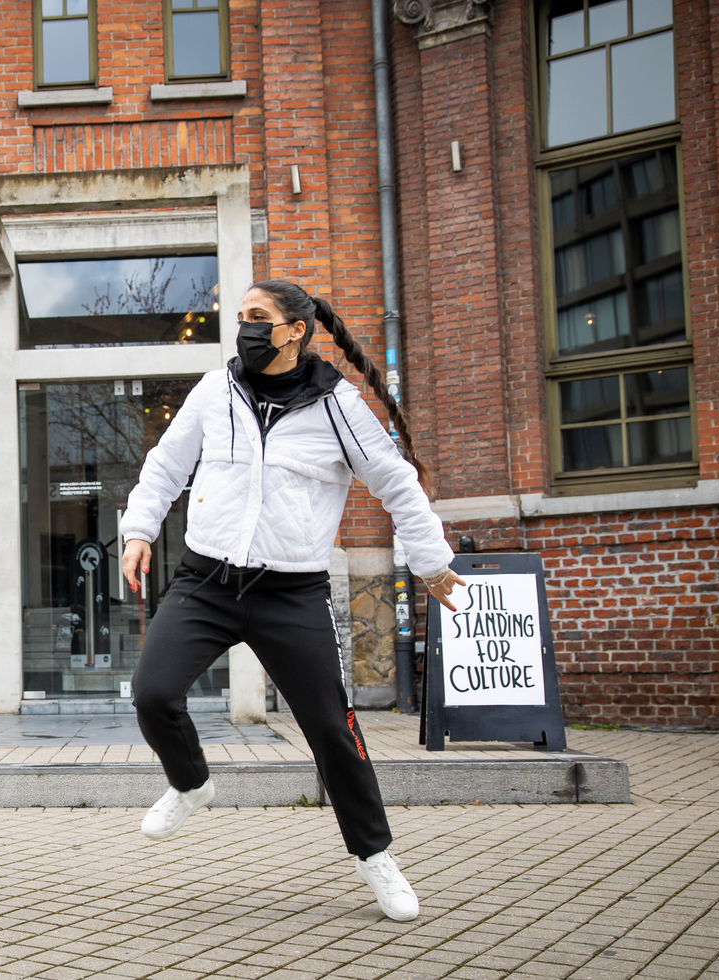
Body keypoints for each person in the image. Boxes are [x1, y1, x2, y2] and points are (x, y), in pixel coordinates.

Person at [119, 279, 464, 923]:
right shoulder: (214, 391)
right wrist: (139, 530)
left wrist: (431, 561)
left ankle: (375, 857)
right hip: (206, 583)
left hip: (292, 593)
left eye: (257, 317)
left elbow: (397, 483)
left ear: (295, 330)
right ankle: (191, 783)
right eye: (239, 317)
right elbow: (165, 467)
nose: (244, 327)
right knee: (153, 694)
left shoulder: (338, 406)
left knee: (334, 730)